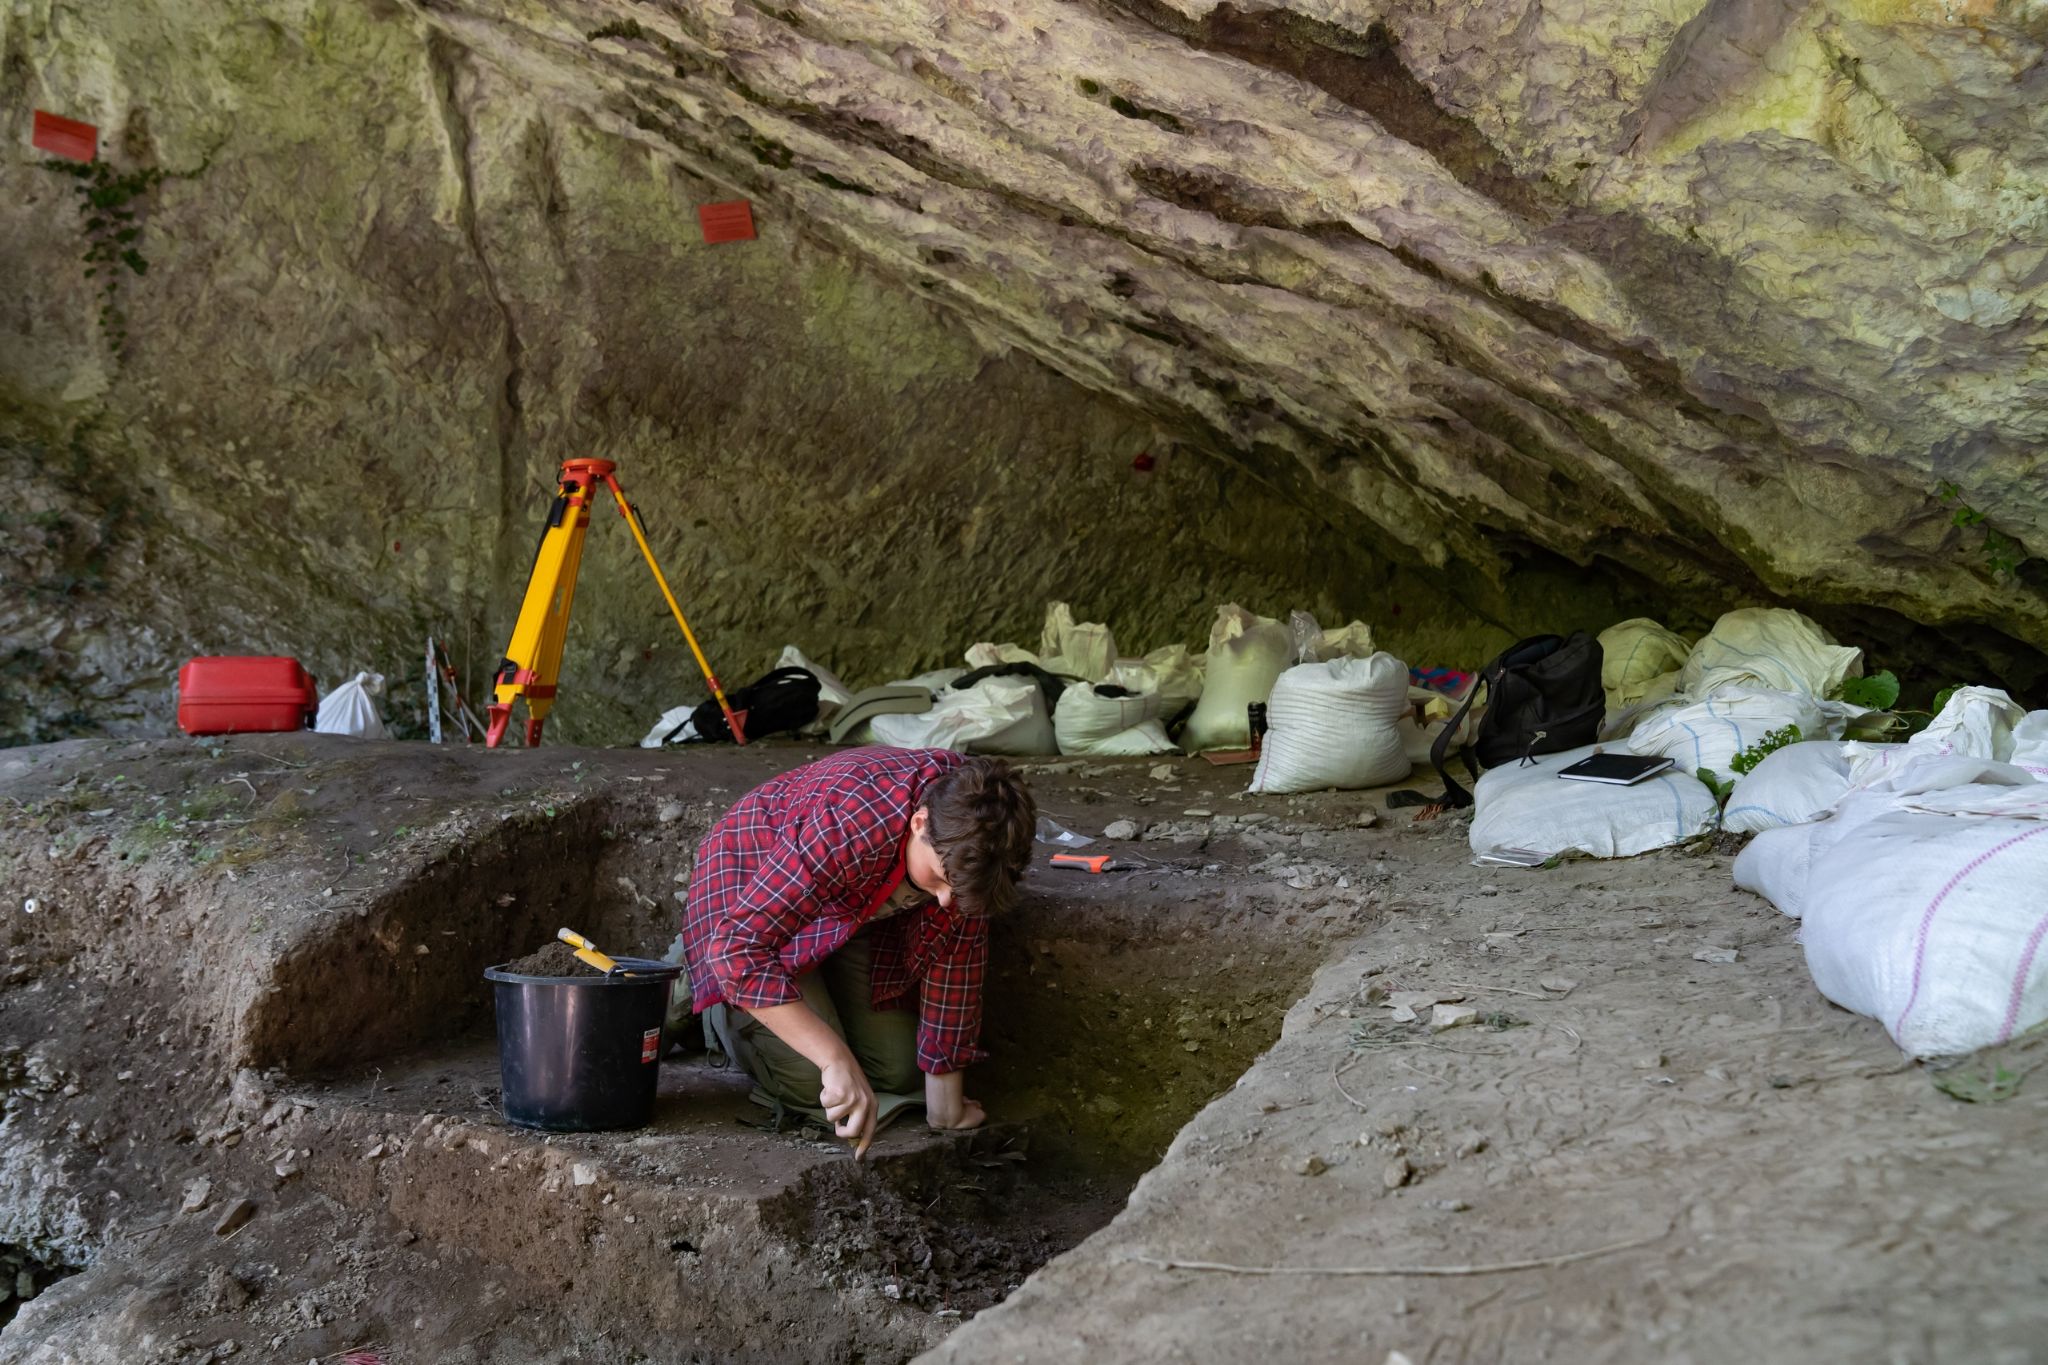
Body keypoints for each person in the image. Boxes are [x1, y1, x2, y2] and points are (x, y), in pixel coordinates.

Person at [680, 746, 1036, 1156]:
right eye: (939, 880)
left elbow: (957, 965)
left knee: (898, 1072)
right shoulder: (852, 823)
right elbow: (739, 950)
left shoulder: (976, 845)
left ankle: (817, 977)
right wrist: (833, 1058)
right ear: (920, 823)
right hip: (749, 889)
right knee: (817, 1086)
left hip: (850, 910)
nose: (943, 903)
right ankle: (706, 998)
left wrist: (946, 1109)